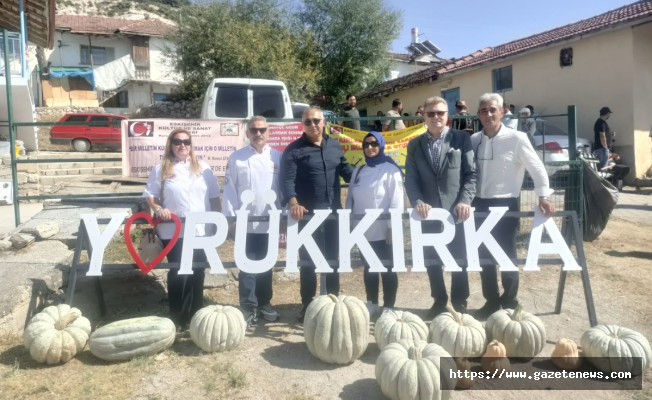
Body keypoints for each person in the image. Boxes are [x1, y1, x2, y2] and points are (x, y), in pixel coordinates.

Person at [471, 93, 555, 319]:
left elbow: (536, 168)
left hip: (506, 204)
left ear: (501, 111)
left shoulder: (516, 138)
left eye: (492, 110)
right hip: (479, 204)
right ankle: (491, 301)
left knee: (507, 255)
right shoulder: (474, 140)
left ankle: (510, 301)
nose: (488, 114)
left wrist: (543, 196)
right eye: (483, 110)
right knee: (484, 256)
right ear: (478, 114)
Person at [280, 106, 354, 322]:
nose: (312, 125)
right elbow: (286, 180)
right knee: (308, 261)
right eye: (307, 122)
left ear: (324, 122)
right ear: (302, 125)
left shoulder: (335, 146)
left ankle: (333, 301)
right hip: (306, 216)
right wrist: (293, 202)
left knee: (333, 258)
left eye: (316, 120)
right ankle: (307, 303)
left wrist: (366, 176)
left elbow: (346, 171)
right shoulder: (293, 149)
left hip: (333, 214)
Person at [143, 128, 221, 329]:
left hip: (201, 231)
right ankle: (177, 318)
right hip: (173, 232)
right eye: (177, 142)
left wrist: (216, 224)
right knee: (178, 272)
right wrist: (158, 209)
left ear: (191, 145)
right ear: (171, 144)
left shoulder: (203, 167)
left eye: (186, 142)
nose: (182, 146)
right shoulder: (160, 168)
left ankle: (196, 316)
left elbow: (214, 197)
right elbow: (150, 195)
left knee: (197, 271)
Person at [405, 96, 476, 317]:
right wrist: (417, 202)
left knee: (459, 259)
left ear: (447, 116)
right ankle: (439, 300)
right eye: (431, 113)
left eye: (440, 113)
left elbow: (471, 175)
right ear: (423, 116)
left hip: (456, 212)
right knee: (432, 260)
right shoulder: (414, 144)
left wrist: (465, 200)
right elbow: (411, 180)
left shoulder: (462, 139)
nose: (436, 117)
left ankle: (459, 301)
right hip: (428, 214)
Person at [222, 116, 282, 328]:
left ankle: (265, 303)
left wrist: (282, 218)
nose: (258, 134)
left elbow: (281, 190)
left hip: (270, 221)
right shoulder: (237, 158)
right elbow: (230, 190)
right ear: (247, 133)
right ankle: (248, 307)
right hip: (244, 222)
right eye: (254, 130)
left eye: (262, 130)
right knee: (246, 265)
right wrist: (231, 218)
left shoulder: (278, 156)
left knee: (267, 264)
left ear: (268, 132)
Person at [345, 131, 404, 317]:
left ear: (381, 145)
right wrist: (349, 224)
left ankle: (389, 305)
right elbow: (350, 199)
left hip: (384, 230)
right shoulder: (358, 170)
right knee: (369, 267)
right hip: (362, 229)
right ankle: (372, 302)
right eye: (366, 145)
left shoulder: (390, 169)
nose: (369, 148)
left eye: (373, 144)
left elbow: (397, 200)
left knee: (387, 267)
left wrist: (391, 226)